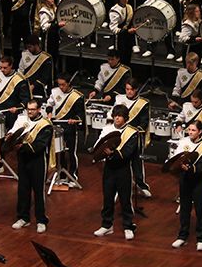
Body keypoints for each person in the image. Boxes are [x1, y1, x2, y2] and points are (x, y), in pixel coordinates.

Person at [93, 104, 141, 240]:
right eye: (115, 116)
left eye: (119, 116)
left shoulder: (132, 132)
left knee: (125, 198)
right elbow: (98, 146)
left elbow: (128, 152)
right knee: (108, 197)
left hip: (124, 168)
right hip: (109, 168)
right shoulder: (107, 129)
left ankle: (128, 226)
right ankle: (107, 225)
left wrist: (112, 153)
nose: (117, 119)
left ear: (125, 118)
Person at [9, 100, 53, 232]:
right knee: (23, 189)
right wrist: (10, 136)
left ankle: (41, 220)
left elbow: (40, 145)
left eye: (33, 109)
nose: (30, 111)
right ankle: (23, 218)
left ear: (39, 109)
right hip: (23, 159)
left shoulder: (45, 125)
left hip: (37, 160)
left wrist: (21, 146)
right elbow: (14, 131)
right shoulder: (21, 119)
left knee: (38, 191)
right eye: (28, 109)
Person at [171, 120, 202, 251]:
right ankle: (182, 236)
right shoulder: (183, 142)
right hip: (184, 180)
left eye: (193, 130)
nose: (190, 132)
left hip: (198, 181)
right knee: (184, 208)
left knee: (199, 210)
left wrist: (189, 168)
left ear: (200, 132)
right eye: (189, 130)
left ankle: (201, 238)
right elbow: (176, 157)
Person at [47, 74, 86, 187]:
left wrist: (75, 120)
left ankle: (73, 176)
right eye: (59, 84)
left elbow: (80, 114)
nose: (61, 87)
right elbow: (50, 103)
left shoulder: (77, 96)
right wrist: (49, 112)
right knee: (60, 152)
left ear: (69, 83)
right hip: (57, 126)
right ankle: (62, 175)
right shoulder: (54, 92)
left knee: (71, 152)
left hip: (70, 128)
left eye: (63, 85)